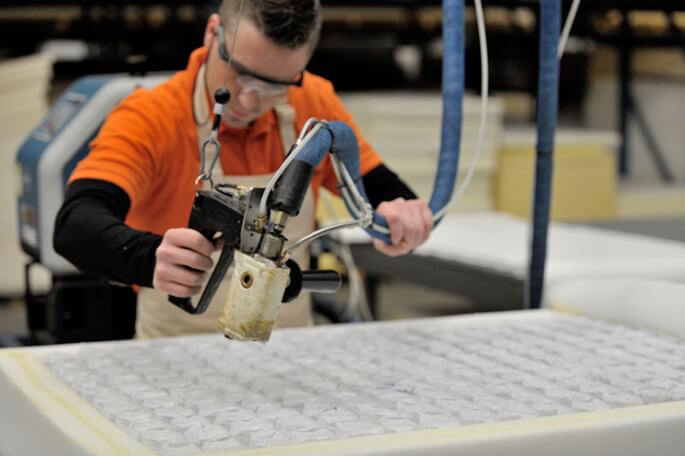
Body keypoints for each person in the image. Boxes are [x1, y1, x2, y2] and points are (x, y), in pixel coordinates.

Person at [54, 0, 433, 338]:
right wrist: (149, 257)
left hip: (290, 347)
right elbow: (75, 224)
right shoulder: (152, 117)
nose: (250, 100)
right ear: (212, 32)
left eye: (276, 85)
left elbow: (379, 188)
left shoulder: (313, 104)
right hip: (174, 353)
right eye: (239, 74)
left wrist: (403, 215)